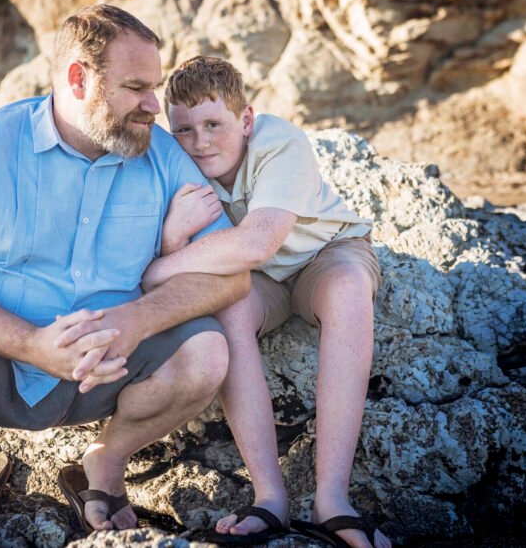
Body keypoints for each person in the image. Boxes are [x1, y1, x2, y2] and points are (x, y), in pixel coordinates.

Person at [0, 7, 249, 543]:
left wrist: (138, 318)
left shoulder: (162, 154)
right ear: (77, 78)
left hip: (115, 360)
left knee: (206, 354)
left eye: (153, 87)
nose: (154, 106)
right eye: (135, 87)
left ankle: (105, 467)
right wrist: (32, 344)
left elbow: (231, 278)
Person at [145, 56, 391, 548]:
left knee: (347, 291)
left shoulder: (279, 142)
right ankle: (269, 499)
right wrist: (171, 237)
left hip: (323, 255)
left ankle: (332, 500)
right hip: (259, 280)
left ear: (247, 120)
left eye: (214, 123)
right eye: (185, 130)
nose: (201, 141)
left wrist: (161, 266)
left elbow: (258, 241)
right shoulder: (176, 164)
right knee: (229, 309)